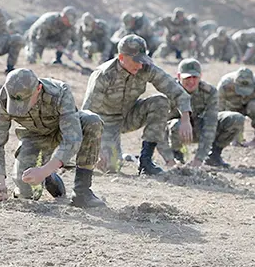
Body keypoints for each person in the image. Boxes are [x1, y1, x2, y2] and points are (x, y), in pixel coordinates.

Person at [0, 69, 105, 208]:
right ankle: (49, 177)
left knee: (92, 121)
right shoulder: (3, 98)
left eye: (25, 101)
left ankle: (82, 192)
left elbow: (72, 138)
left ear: (38, 88)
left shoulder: (59, 92)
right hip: (34, 136)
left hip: (63, 130)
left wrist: (44, 170)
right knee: (26, 193)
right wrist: (0, 181)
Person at [82, 34, 192, 175]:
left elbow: (175, 90)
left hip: (129, 115)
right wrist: (94, 146)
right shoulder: (103, 75)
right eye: (136, 61)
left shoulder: (145, 68)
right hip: (104, 123)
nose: (140, 65)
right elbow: (87, 114)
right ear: (121, 58)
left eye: (142, 60)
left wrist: (185, 118)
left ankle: (146, 161)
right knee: (111, 167)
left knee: (160, 101)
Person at [157, 59, 244, 168]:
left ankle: (213, 156)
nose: (191, 81)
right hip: (173, 132)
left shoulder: (209, 92)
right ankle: (177, 155)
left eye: (195, 77)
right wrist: (168, 158)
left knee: (236, 119)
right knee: (176, 125)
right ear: (179, 76)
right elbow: (157, 127)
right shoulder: (168, 92)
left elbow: (210, 125)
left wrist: (199, 159)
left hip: (198, 128)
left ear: (201, 76)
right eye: (187, 78)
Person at [217, 67, 255, 147]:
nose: (243, 95)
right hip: (233, 110)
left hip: (252, 108)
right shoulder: (224, 85)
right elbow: (218, 112)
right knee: (236, 142)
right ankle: (234, 136)